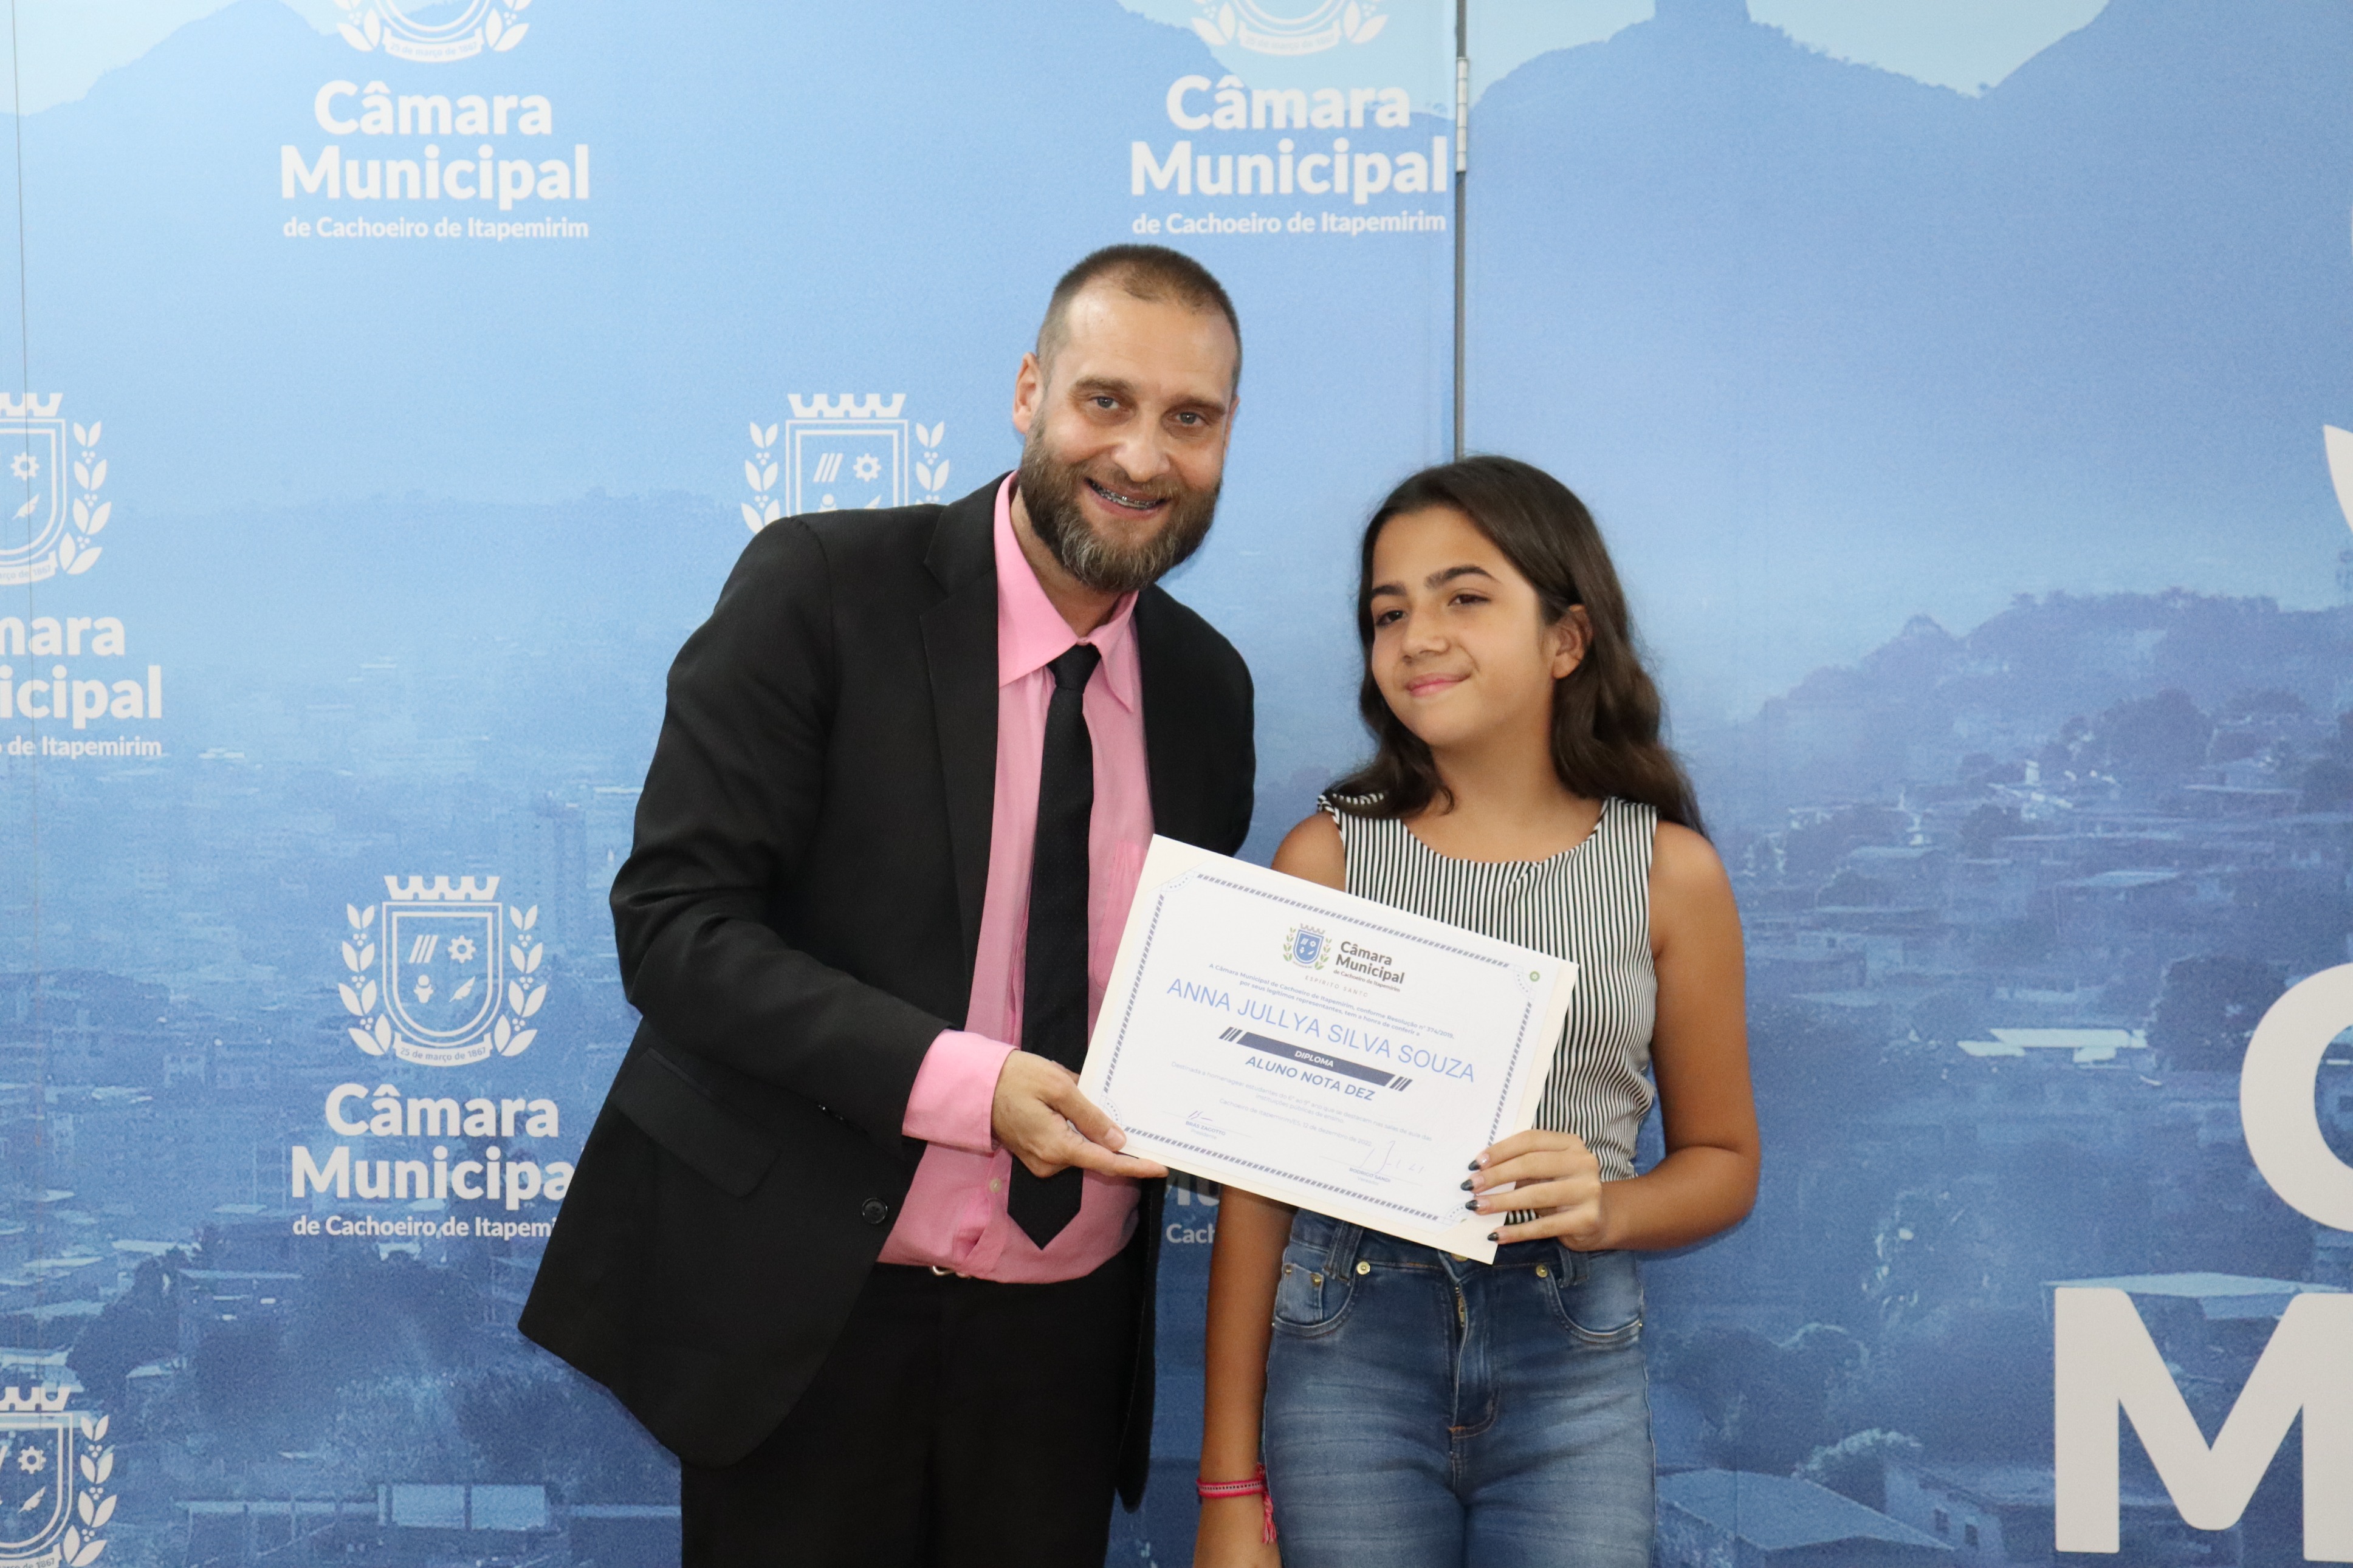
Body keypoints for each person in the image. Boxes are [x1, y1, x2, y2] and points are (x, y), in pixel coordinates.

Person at [520, 244, 1256, 1567]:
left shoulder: (1209, 691)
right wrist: (970, 1085)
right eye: (1105, 400)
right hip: (808, 1315)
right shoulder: (822, 588)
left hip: (1062, 1347)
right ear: (1029, 391)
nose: (1144, 456)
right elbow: (676, 925)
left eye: (1190, 418)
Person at [1194, 456, 1759, 1568]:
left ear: (1568, 638)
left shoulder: (1668, 874)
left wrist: (1607, 1207)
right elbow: (1254, 1194)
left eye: (1464, 597)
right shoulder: (1326, 861)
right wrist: (1227, 1487)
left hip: (1573, 1352)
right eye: (1388, 611)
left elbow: (1726, 1163)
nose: (1419, 637)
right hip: (1347, 1348)